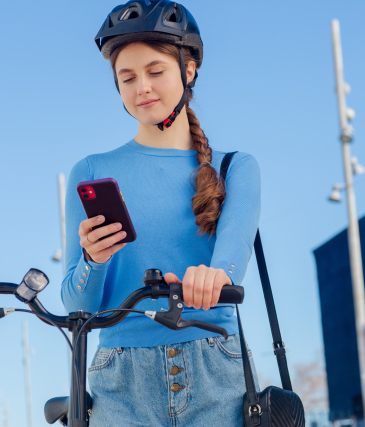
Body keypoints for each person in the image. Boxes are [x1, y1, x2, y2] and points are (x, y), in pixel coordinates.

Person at [61, 1, 260, 425]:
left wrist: (214, 275)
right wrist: (93, 260)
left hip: (213, 362)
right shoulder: (92, 171)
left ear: (188, 72)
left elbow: (232, 256)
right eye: (127, 77)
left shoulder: (234, 168)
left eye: (155, 71)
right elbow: (77, 305)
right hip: (120, 375)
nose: (141, 88)